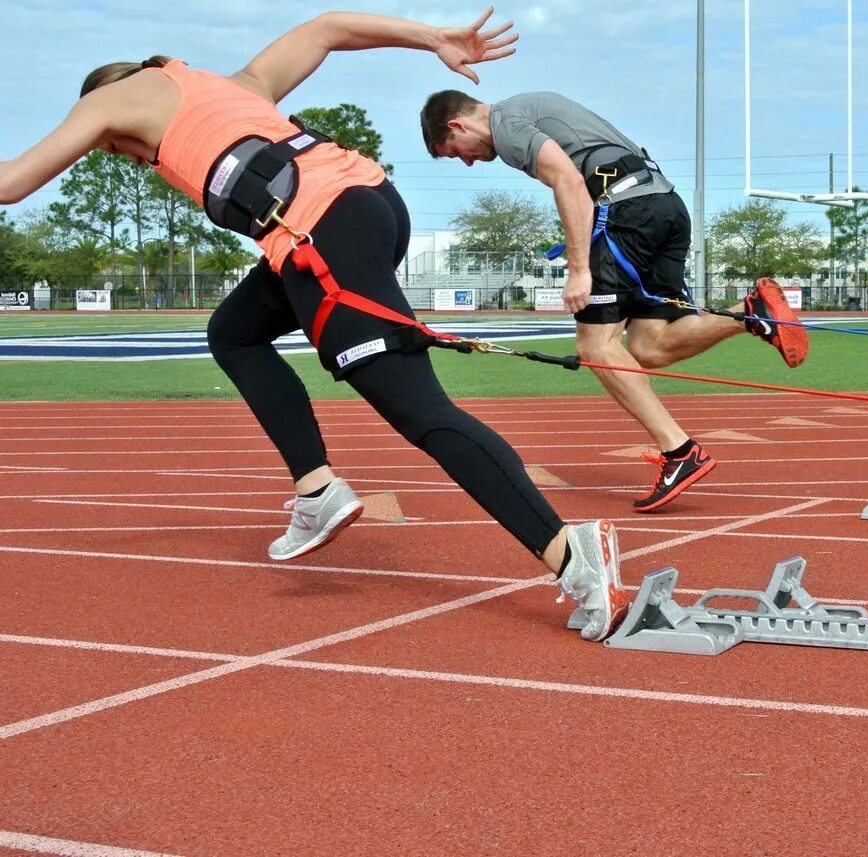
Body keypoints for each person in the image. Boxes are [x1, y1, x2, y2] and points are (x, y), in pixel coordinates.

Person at [0, 10, 628, 642]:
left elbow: (10, 185)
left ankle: (571, 554)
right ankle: (317, 489)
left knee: (421, 412)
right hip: (368, 205)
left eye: (116, 149)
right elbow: (325, 27)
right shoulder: (230, 86)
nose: (135, 160)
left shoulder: (110, 99)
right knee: (235, 332)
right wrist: (433, 38)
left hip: (323, 227)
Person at [419, 90, 810, 512]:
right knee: (649, 345)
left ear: (458, 125)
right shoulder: (531, 109)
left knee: (595, 346)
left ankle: (680, 453)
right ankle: (749, 314)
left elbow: (569, 182)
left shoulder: (506, 125)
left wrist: (579, 268)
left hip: (630, 214)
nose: (468, 160)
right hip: (665, 208)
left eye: (455, 152)